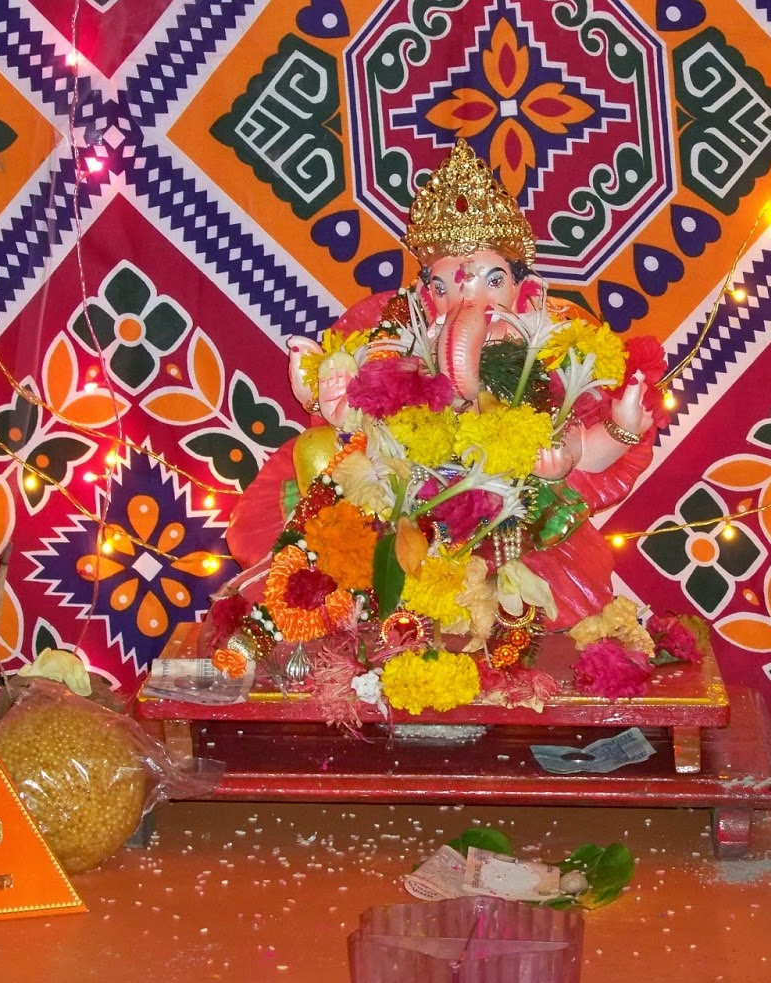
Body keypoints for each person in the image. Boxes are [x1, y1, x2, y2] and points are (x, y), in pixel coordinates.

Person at [225, 140, 664, 633]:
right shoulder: (395, 336)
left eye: (491, 281)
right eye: (444, 287)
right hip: (404, 513)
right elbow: (355, 429)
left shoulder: (552, 346)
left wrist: (619, 429)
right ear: (424, 294)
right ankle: (334, 582)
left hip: (504, 526)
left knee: (538, 590)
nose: (465, 300)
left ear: (525, 288)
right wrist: (328, 393)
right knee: (314, 458)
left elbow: (584, 451)